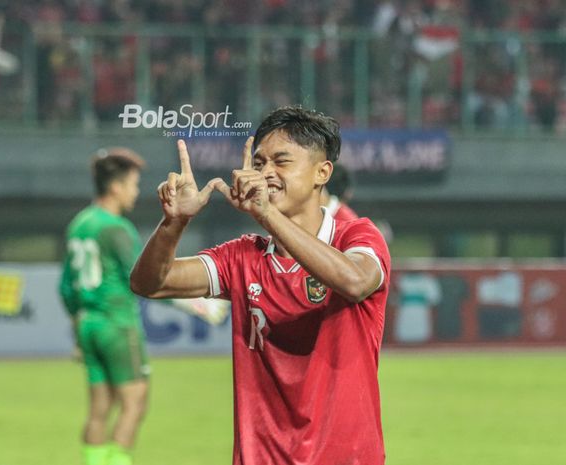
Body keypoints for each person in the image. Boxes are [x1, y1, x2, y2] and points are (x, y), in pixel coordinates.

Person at [130, 106, 392, 465]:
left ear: (322, 172)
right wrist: (173, 223)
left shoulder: (356, 236)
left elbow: (356, 281)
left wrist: (266, 214)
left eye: (281, 162)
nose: (266, 173)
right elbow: (150, 284)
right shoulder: (242, 257)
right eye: (259, 163)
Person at [59, 147, 148, 465]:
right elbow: (142, 277)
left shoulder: (80, 224)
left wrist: (76, 331)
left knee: (99, 406)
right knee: (135, 400)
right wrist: (195, 303)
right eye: (133, 184)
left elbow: (65, 286)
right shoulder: (116, 228)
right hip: (116, 322)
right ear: (116, 187)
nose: (136, 192)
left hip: (87, 323)